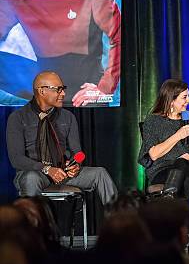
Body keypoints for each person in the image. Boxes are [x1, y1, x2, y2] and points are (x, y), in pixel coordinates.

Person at [6, 71, 117, 204]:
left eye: (63, 89)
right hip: (35, 172)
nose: (63, 94)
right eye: (58, 90)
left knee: (100, 173)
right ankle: (36, 223)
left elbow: (78, 153)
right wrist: (47, 169)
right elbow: (16, 159)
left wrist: (75, 165)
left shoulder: (68, 117)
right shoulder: (18, 117)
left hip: (63, 171)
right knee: (31, 178)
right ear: (42, 91)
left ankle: (119, 221)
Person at [138, 79, 189, 199]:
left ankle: (170, 199)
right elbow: (153, 155)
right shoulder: (153, 121)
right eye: (184, 97)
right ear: (171, 100)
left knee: (183, 164)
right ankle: (184, 212)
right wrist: (178, 135)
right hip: (163, 170)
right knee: (182, 169)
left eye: (188, 96)